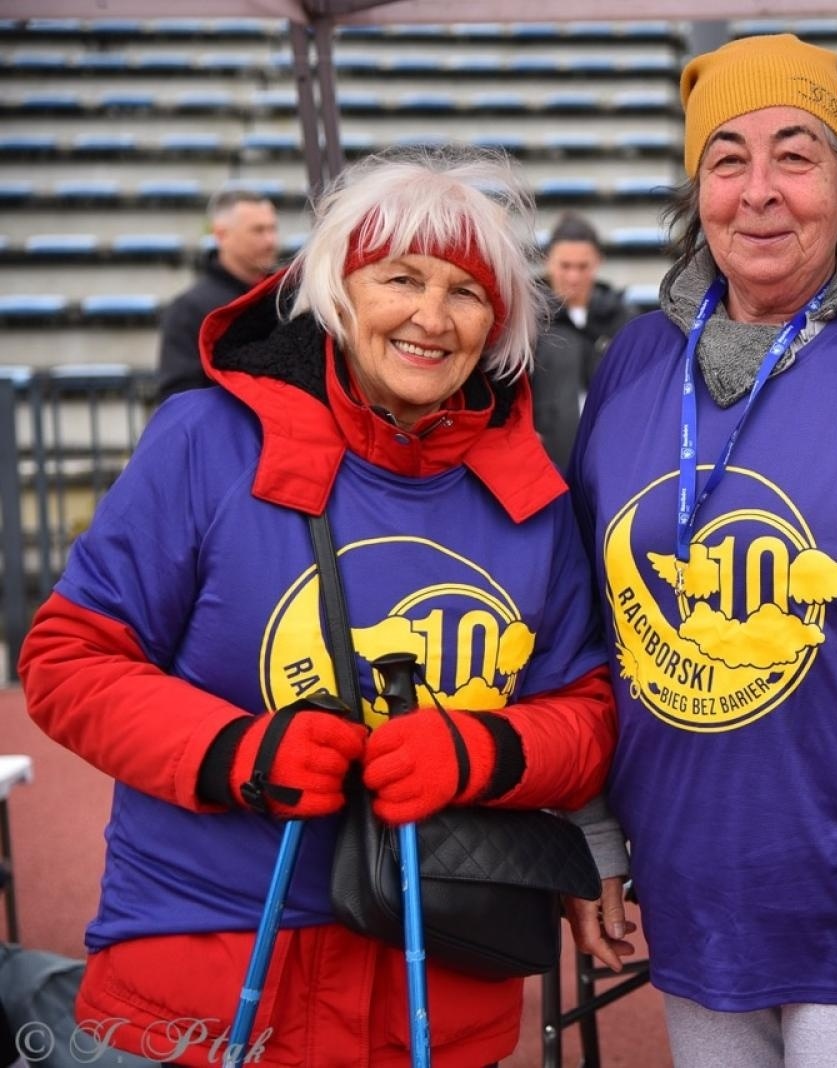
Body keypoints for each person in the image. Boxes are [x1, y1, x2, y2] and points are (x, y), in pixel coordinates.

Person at [18, 146, 616, 1067]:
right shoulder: (206, 442)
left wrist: (481, 750)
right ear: (339, 288)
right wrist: (237, 752)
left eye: (467, 292)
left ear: (498, 322)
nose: (430, 316)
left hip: (439, 983)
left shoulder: (532, 498)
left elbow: (585, 711)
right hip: (207, 974)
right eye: (401, 278)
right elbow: (68, 657)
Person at [562, 33, 837, 1067]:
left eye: (796, 157)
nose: (759, 192)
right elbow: (584, 622)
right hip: (689, 882)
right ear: (694, 191)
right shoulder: (635, 357)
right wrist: (596, 837)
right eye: (727, 160)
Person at [155, 187, 280, 403]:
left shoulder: (286, 298)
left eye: (272, 229)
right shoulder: (189, 309)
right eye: (258, 231)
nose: (270, 241)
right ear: (221, 235)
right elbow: (180, 396)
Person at [532, 212, 634, 470]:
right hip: (544, 463)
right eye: (565, 266)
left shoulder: (622, 318)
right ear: (548, 262)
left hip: (611, 459)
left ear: (597, 263)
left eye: (582, 266)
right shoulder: (528, 320)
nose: (574, 277)